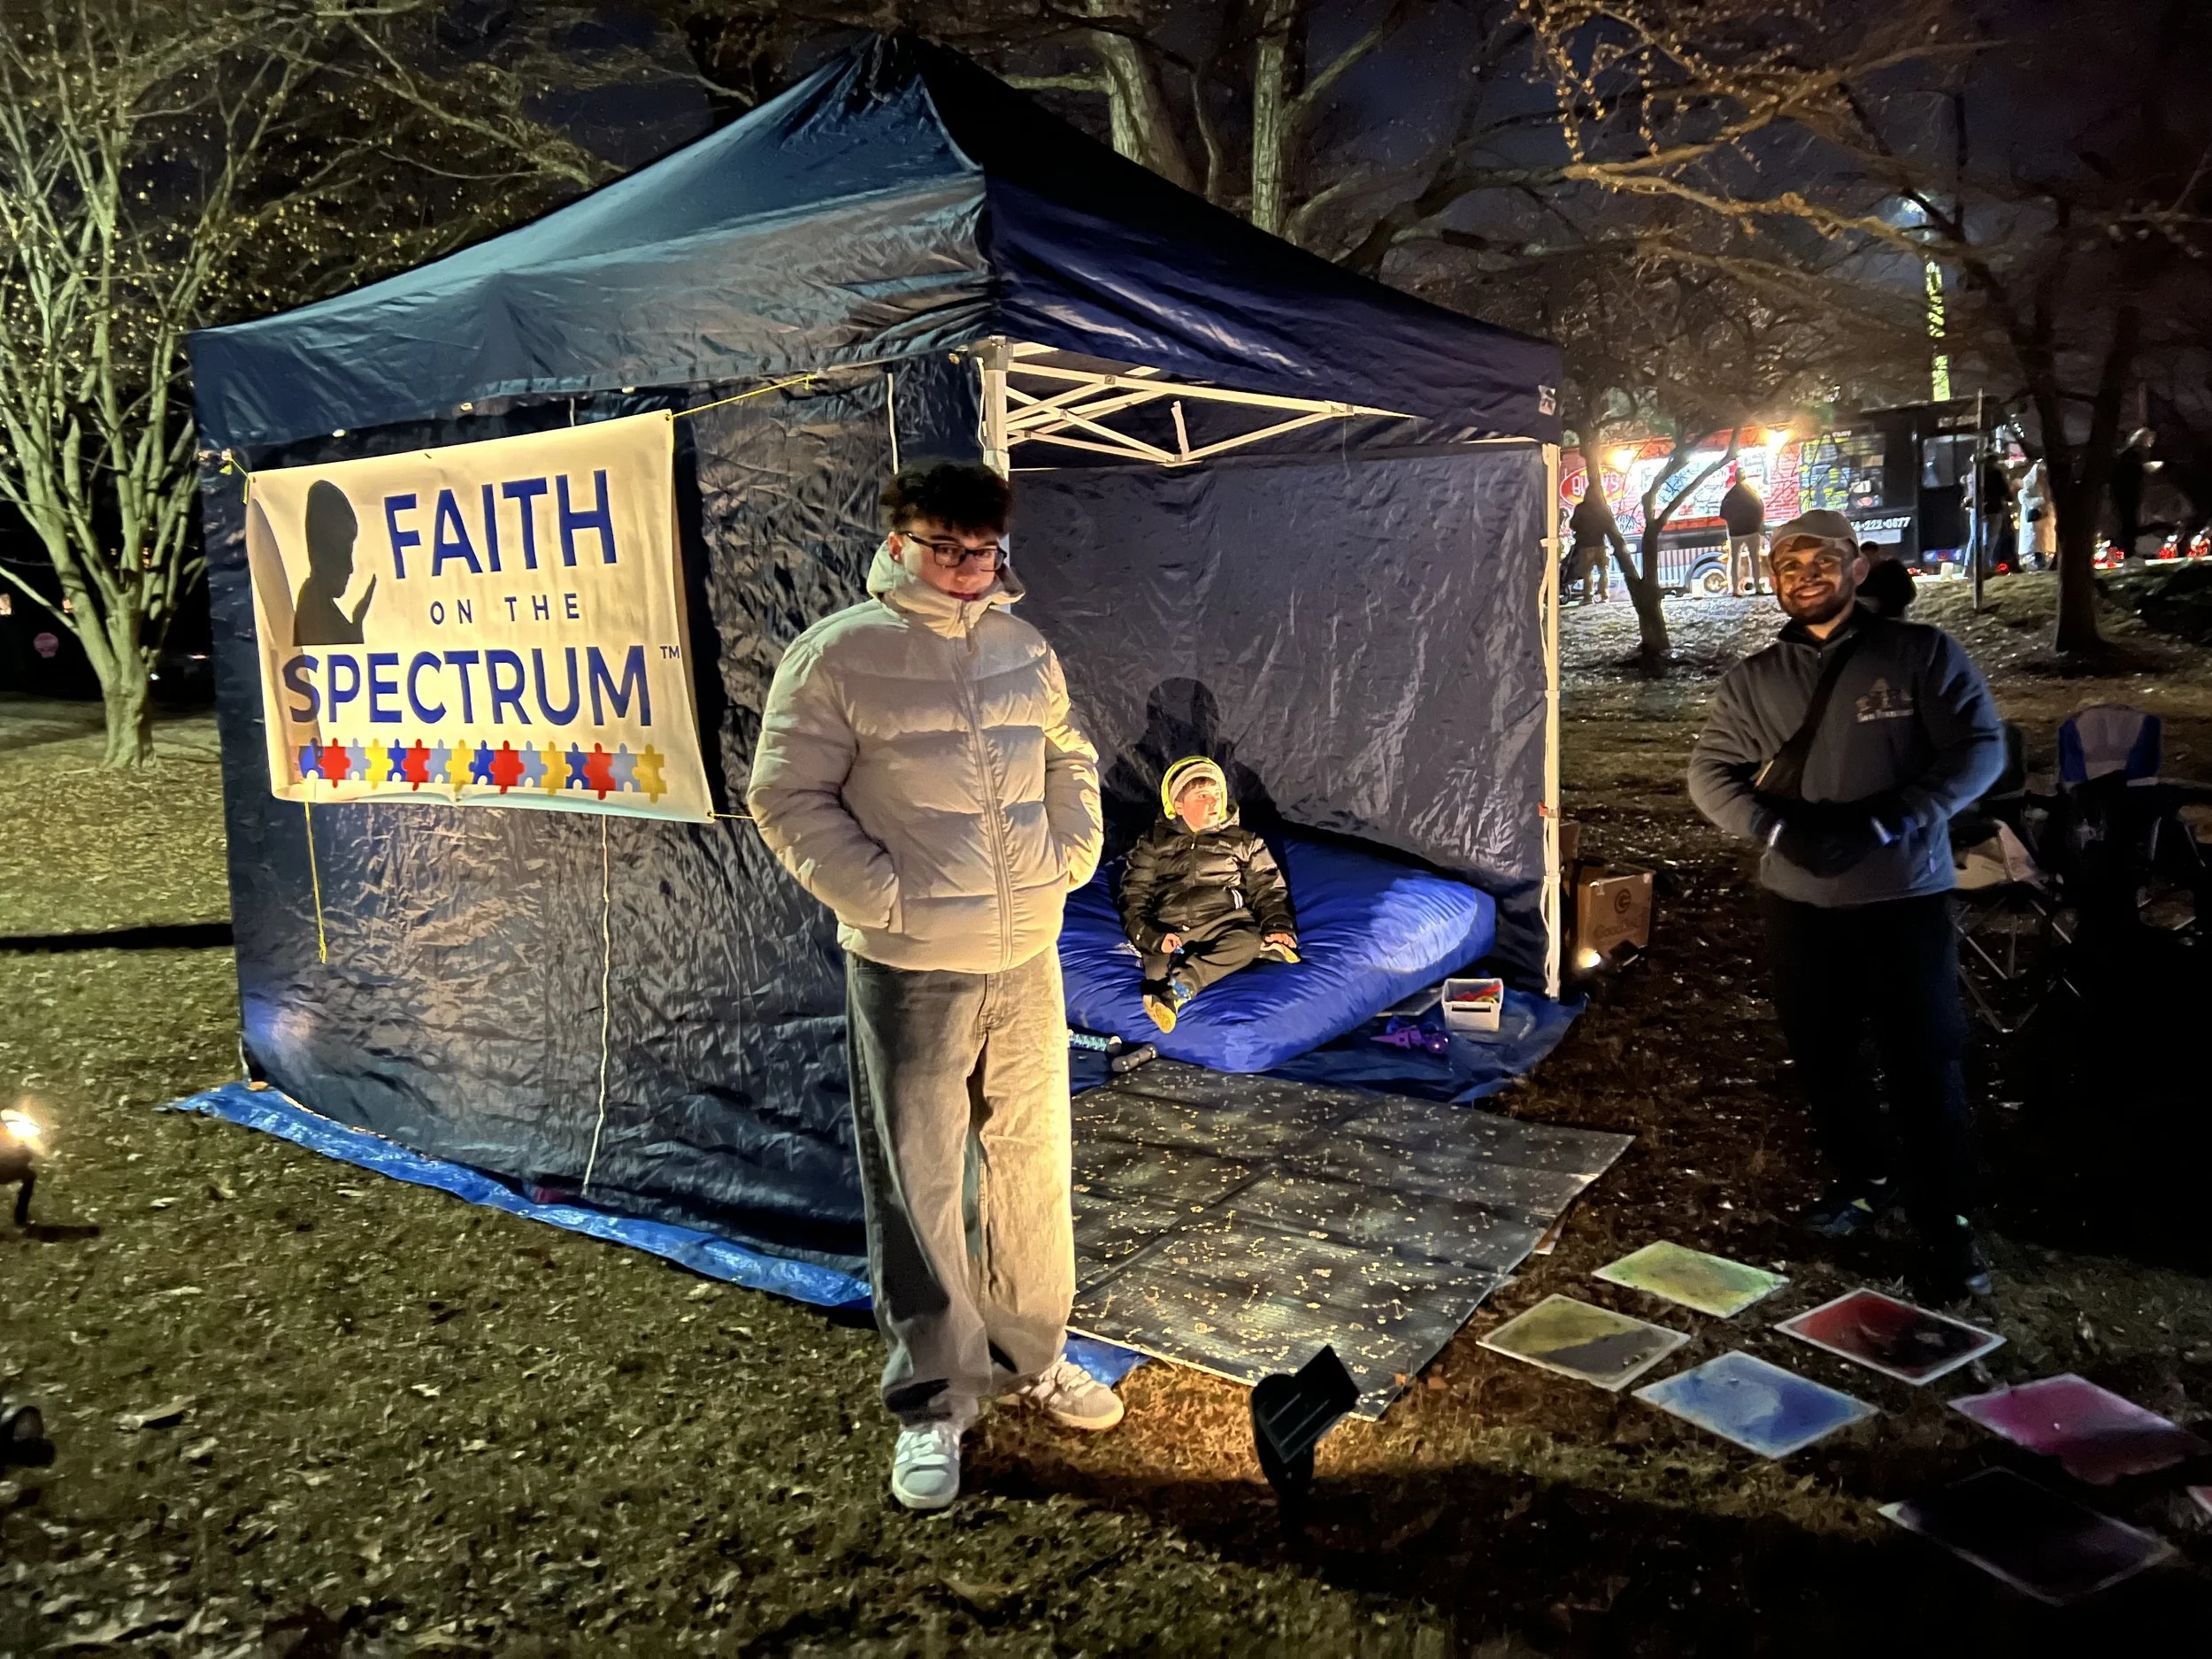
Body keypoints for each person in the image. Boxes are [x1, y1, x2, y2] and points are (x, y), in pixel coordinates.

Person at [747, 458, 1117, 1513]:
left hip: (1025, 952)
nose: (964, 569)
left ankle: (1030, 1354)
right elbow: (786, 797)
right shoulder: (838, 657)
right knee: (920, 1181)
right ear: (897, 540)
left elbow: (1067, 752)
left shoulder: (1022, 646)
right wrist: (885, 896)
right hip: (909, 965)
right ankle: (935, 1402)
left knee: (1030, 1162)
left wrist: (1071, 846)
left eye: (982, 550)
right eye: (943, 547)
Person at [1687, 510, 2007, 1301]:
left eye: (1821, 561)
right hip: (1797, 899)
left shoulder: (1919, 653)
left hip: (1903, 893)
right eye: (1788, 567)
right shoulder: (1755, 678)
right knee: (1824, 1052)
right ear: (1773, 580)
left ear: (1857, 567)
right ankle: (1864, 1178)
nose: (1804, 577)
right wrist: (1772, 829)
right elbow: (1711, 770)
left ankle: (1949, 1220)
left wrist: (1891, 818)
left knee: (1923, 1056)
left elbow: (1981, 750)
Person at [1118, 757, 1299, 1033]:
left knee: (1247, 941)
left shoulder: (1244, 842)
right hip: (1171, 927)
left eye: (1218, 795)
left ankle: (1181, 989)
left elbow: (1268, 888)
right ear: (1178, 805)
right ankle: (1162, 991)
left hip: (1223, 921)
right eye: (1202, 796)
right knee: (1154, 972)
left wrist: (1276, 925)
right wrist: (1152, 936)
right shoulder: (1153, 843)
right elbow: (1134, 896)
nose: (1213, 803)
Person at [291, 480, 377, 646]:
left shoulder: (320, 606)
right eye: (343, 551)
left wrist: (356, 626)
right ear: (321, 550)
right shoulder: (314, 610)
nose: (350, 568)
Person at [1569, 487, 1625, 604]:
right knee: (1603, 570)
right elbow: (1611, 526)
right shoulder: (1604, 508)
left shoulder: (1581, 508)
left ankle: (1588, 597)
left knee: (1587, 572)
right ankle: (1603, 595)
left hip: (1585, 545)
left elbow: (1573, 524)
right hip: (1601, 544)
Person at [1720, 468, 1767, 596]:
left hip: (1735, 533)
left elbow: (1723, 513)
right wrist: (1757, 525)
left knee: (1735, 560)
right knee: (1754, 560)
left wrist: (1733, 521)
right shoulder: (1752, 493)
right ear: (1745, 477)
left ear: (1735, 478)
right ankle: (1757, 587)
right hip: (1752, 531)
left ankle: (1734, 589)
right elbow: (1760, 509)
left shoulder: (1730, 495)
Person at [1857, 541, 1916, 618]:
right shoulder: (1863, 574)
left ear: (1877, 554)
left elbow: (1907, 593)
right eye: (1865, 557)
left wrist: (1881, 604)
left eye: (1870, 555)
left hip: (1892, 617)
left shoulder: (1894, 570)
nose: (1868, 560)